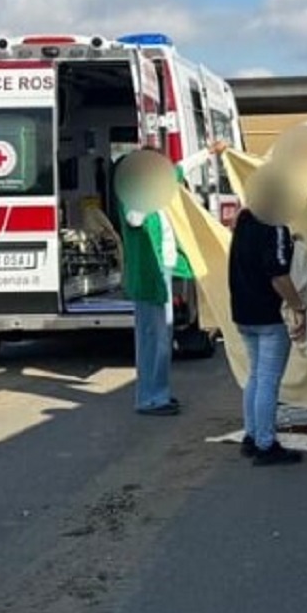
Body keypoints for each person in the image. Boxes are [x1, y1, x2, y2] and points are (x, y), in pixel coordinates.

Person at [229, 165, 307, 466]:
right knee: (268, 380)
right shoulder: (274, 226)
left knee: (255, 376)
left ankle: (251, 435)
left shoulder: (245, 219)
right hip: (268, 315)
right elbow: (278, 275)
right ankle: (265, 443)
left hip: (243, 312)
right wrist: (298, 306)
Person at [116, 149, 194, 417]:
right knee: (152, 338)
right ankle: (149, 399)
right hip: (149, 276)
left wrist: (210, 152)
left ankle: (158, 393)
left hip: (164, 271)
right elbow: (134, 218)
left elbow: (182, 168)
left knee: (163, 337)